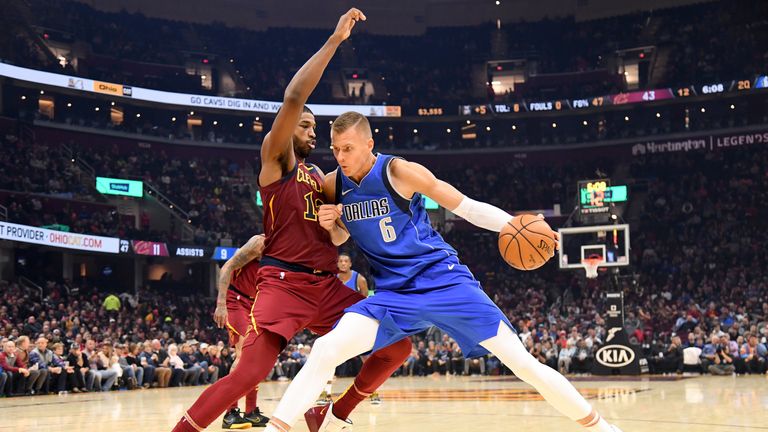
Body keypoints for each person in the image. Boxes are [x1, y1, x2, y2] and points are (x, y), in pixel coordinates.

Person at [261, 111, 623, 432]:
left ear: (369, 144)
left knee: (523, 364)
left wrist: (512, 224)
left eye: (349, 149)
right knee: (326, 348)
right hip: (393, 294)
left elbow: (466, 207)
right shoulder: (332, 184)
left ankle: (603, 427)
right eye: (336, 149)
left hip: (443, 280)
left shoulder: (398, 171)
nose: (341, 157)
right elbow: (340, 236)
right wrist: (332, 224)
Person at [170, 9, 412, 432]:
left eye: (315, 128)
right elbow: (293, 98)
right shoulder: (276, 160)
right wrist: (336, 41)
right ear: (285, 130)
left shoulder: (322, 177)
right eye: (305, 126)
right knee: (247, 376)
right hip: (284, 284)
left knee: (399, 345)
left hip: (326, 287)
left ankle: (339, 412)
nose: (311, 132)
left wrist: (335, 223)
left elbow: (337, 239)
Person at [213, 235, 269, 428]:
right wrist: (221, 304)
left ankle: (251, 411)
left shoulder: (285, 249)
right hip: (236, 301)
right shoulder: (259, 242)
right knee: (244, 354)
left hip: (255, 305)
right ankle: (230, 413)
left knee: (258, 357)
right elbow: (227, 267)